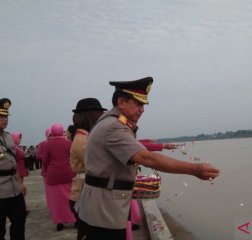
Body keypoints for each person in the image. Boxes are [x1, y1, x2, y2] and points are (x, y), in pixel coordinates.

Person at [75, 77, 220, 240]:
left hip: (98, 204)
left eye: (143, 105)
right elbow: (147, 158)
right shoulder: (113, 126)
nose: (142, 109)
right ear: (121, 102)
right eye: (138, 104)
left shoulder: (111, 121)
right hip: (104, 210)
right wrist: (195, 169)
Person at [69, 98, 106, 238]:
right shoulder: (83, 140)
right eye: (99, 115)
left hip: (85, 193)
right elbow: (101, 163)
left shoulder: (86, 137)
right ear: (92, 116)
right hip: (83, 194)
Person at [0, 98, 27, 240]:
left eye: (6, 116)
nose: (5, 120)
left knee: (19, 222)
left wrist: (20, 183)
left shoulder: (8, 136)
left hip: (14, 189)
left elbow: (14, 162)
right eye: (1, 116)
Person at [42, 123, 76, 231]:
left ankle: (59, 222)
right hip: (68, 173)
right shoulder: (69, 143)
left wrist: (47, 169)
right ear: (62, 131)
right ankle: (74, 219)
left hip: (53, 175)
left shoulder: (48, 144)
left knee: (56, 201)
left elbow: (45, 161)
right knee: (70, 198)